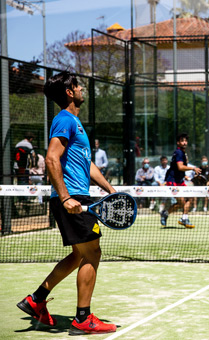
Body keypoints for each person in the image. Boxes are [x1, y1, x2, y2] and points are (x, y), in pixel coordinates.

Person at [17, 71, 117, 335]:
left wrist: (109, 189)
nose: (82, 87)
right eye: (77, 85)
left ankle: (36, 300)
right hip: (73, 198)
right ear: (70, 93)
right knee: (92, 253)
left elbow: (87, 163)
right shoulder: (64, 120)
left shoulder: (74, 123)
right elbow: (51, 158)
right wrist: (66, 197)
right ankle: (83, 319)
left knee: (78, 255)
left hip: (76, 195)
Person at [160, 133, 201, 228]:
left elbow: (178, 168)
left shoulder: (183, 153)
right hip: (172, 181)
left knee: (189, 198)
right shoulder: (179, 152)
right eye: (182, 141)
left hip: (180, 180)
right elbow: (180, 167)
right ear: (178, 142)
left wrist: (186, 176)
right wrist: (193, 168)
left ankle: (171, 215)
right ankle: (183, 218)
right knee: (182, 202)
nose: (184, 143)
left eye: (186, 141)